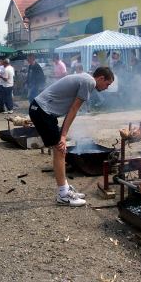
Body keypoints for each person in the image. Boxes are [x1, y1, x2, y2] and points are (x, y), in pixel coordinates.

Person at [29, 67, 114, 207]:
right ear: (100, 78)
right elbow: (73, 110)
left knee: (60, 150)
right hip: (42, 111)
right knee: (60, 149)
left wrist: (63, 134)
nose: (106, 88)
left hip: (42, 110)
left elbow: (71, 109)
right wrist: (63, 135)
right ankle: (63, 195)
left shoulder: (85, 79)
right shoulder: (89, 82)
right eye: (107, 84)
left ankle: (65, 189)